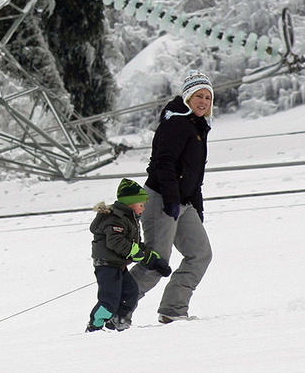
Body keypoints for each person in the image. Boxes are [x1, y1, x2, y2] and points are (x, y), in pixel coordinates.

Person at [128, 70, 214, 324]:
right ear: (187, 97)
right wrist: (171, 200)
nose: (203, 102)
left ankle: (173, 310)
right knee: (157, 260)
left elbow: (194, 174)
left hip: (183, 202)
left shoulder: (198, 126)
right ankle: (116, 308)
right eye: (198, 96)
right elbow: (164, 164)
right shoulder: (177, 123)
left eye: (208, 98)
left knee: (200, 254)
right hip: (162, 199)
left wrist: (196, 208)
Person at [86, 178, 171, 332]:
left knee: (130, 292)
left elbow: (136, 246)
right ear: (129, 203)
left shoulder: (129, 219)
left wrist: (152, 259)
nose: (143, 209)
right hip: (106, 266)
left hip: (119, 266)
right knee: (109, 300)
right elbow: (115, 241)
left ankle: (119, 321)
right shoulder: (115, 219)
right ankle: (95, 325)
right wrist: (134, 252)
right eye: (141, 205)